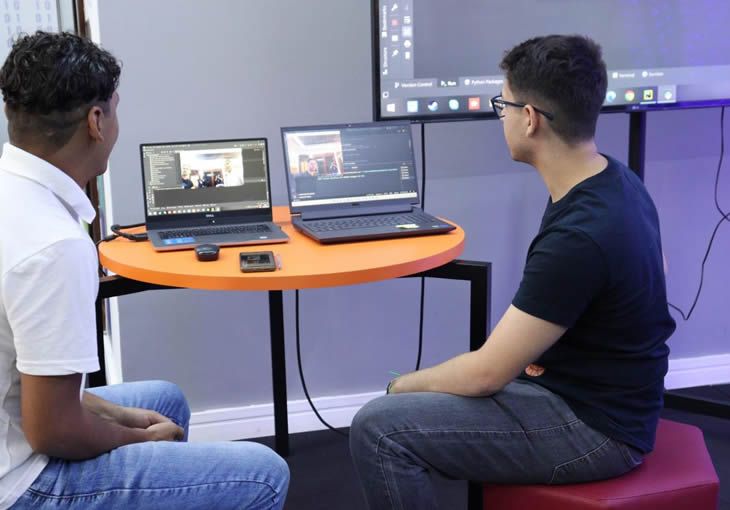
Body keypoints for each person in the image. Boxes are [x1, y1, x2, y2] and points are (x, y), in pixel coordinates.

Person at [350, 35, 676, 510]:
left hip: (599, 432)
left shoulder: (580, 235)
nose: (499, 117)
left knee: (379, 428)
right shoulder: (616, 179)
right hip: (607, 399)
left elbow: (485, 374)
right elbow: (651, 286)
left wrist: (399, 385)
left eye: (502, 105)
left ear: (530, 119)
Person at [0, 32, 288, 510]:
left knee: (163, 401)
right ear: (96, 121)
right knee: (265, 475)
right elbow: (52, 429)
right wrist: (137, 439)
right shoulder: (55, 245)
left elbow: (31, 385)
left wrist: (120, 416)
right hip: (21, 482)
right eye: (115, 109)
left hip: (14, 424)